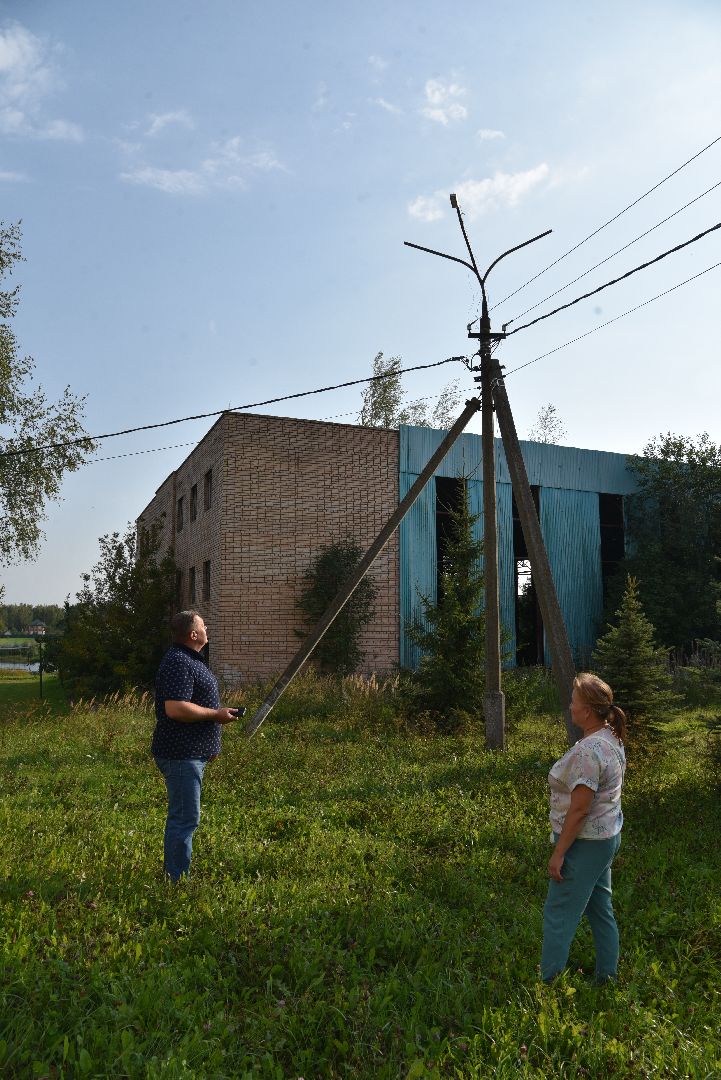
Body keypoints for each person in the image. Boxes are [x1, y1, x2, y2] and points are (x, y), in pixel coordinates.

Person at [541, 672, 627, 984]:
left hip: (586, 842)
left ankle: (547, 986)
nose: (570, 706)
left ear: (587, 711)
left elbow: (579, 810)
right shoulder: (610, 738)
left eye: (574, 702)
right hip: (605, 838)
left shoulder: (589, 751)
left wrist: (559, 854)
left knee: (559, 914)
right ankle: (607, 977)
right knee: (600, 908)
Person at [151, 610, 241, 881]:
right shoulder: (179, 661)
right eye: (203, 625)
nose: (206, 628)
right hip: (181, 755)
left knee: (184, 817)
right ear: (193, 634)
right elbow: (176, 708)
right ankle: (175, 881)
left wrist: (207, 747)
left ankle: (175, 875)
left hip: (190, 754)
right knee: (184, 819)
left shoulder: (189, 660)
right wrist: (216, 715)